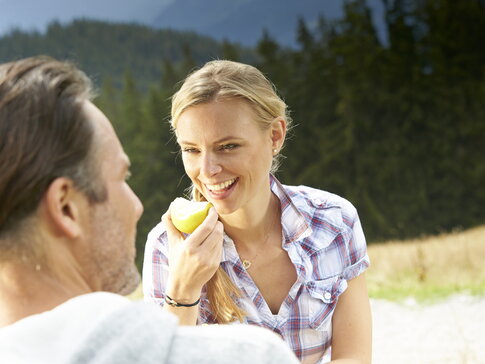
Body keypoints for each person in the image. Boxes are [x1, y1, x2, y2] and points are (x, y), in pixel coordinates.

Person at [0, 56, 300, 364]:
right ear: (65, 208)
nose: (137, 206)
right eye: (121, 177)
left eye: (228, 146)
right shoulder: (247, 356)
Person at [143, 60, 372, 364]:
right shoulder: (166, 247)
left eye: (228, 146)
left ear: (275, 136)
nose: (207, 170)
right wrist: (183, 291)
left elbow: (354, 357)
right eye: (192, 150)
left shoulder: (334, 222)